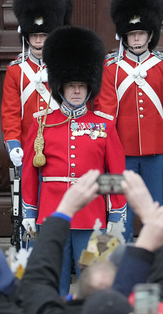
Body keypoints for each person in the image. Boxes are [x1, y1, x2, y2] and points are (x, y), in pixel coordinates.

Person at [21, 26, 127, 295]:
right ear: (61, 87)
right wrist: (30, 211)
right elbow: (30, 172)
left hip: (92, 216)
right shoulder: (42, 123)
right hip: (52, 214)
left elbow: (115, 171)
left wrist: (115, 212)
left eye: (81, 86)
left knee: (95, 280)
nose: (77, 91)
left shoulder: (104, 125)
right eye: (71, 86)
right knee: (53, 279)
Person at [96, 0, 163, 241]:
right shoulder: (111, 66)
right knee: (121, 208)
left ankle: (152, 258)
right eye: (132, 33)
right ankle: (124, 259)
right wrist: (105, 146)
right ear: (124, 35)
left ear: (150, 35)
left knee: (153, 207)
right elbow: (105, 109)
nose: (136, 38)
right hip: (122, 149)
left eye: (141, 33)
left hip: (157, 150)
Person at [2, 0, 73, 173]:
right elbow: (11, 113)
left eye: (43, 35)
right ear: (26, 36)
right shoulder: (16, 69)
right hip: (28, 145)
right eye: (34, 35)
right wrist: (13, 142)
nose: (39, 40)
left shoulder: (67, 66)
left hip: (63, 144)